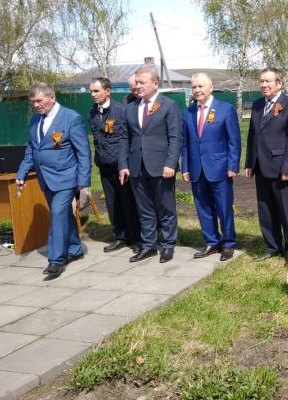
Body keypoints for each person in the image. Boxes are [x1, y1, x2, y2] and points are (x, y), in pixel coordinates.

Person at [16, 83, 91, 278]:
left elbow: (83, 152)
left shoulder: (70, 118)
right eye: (33, 102)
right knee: (63, 215)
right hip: (45, 178)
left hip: (66, 178)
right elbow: (32, 150)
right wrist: (22, 173)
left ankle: (56, 260)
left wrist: (84, 181)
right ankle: (74, 249)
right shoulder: (35, 121)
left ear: (52, 98)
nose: (36, 105)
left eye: (39, 101)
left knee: (57, 215)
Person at [118, 65, 183, 264]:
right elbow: (123, 138)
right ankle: (148, 245)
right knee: (144, 209)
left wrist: (171, 163)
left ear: (155, 84)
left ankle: (169, 244)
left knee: (165, 207)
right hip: (136, 166)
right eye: (136, 82)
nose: (137, 86)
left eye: (142, 82)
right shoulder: (130, 108)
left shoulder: (168, 106)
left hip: (161, 166)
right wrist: (123, 164)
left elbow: (175, 137)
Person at [245, 68, 288, 264]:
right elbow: (252, 136)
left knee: (286, 210)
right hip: (261, 166)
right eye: (261, 81)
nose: (264, 85)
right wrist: (249, 163)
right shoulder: (257, 105)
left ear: (279, 83)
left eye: (268, 81)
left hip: (281, 169)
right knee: (266, 209)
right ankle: (272, 246)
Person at [181, 73, 241, 261]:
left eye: (201, 86)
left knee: (224, 208)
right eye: (194, 87)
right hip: (197, 169)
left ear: (211, 87)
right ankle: (212, 242)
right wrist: (185, 167)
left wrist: (233, 165)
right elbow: (185, 143)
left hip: (220, 168)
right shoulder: (189, 112)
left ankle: (228, 243)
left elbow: (234, 141)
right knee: (203, 207)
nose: (197, 90)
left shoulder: (225, 109)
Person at [88, 77, 140, 253]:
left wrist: (124, 162)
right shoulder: (93, 113)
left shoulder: (120, 111)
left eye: (96, 91)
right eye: (91, 91)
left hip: (121, 164)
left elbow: (127, 138)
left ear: (107, 91)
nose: (93, 94)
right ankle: (120, 236)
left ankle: (135, 237)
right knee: (112, 203)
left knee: (127, 201)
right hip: (104, 164)